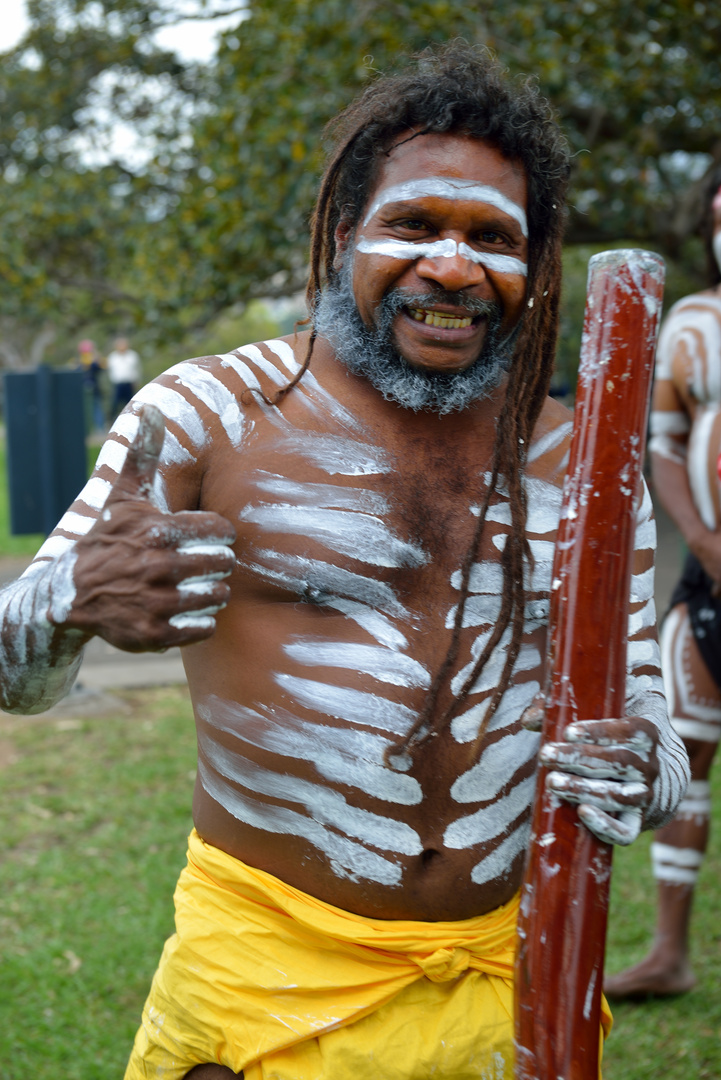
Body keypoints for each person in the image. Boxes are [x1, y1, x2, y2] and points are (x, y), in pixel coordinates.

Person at [0, 43, 688, 1079]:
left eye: (490, 238)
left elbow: (643, 707)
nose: (452, 267)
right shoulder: (205, 416)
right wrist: (70, 602)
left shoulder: (585, 465)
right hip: (263, 982)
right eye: (414, 224)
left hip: (512, 980)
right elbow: (15, 673)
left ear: (535, 264)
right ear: (338, 233)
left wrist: (645, 764)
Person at [604, 167, 721, 1001]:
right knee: (687, 742)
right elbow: (666, 444)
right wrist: (707, 544)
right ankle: (670, 952)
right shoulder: (691, 323)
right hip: (708, 576)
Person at [106, 335, 142, 416]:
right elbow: (110, 371)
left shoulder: (133, 355)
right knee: (114, 404)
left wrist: (136, 381)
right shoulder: (113, 357)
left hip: (129, 384)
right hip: (117, 384)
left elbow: (137, 370)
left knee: (130, 404)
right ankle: (112, 421)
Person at [75, 337, 105, 432]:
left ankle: (99, 428)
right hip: (82, 389)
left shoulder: (94, 362)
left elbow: (100, 368)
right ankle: (87, 429)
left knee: (97, 407)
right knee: (85, 409)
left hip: (95, 388)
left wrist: (95, 357)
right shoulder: (78, 362)